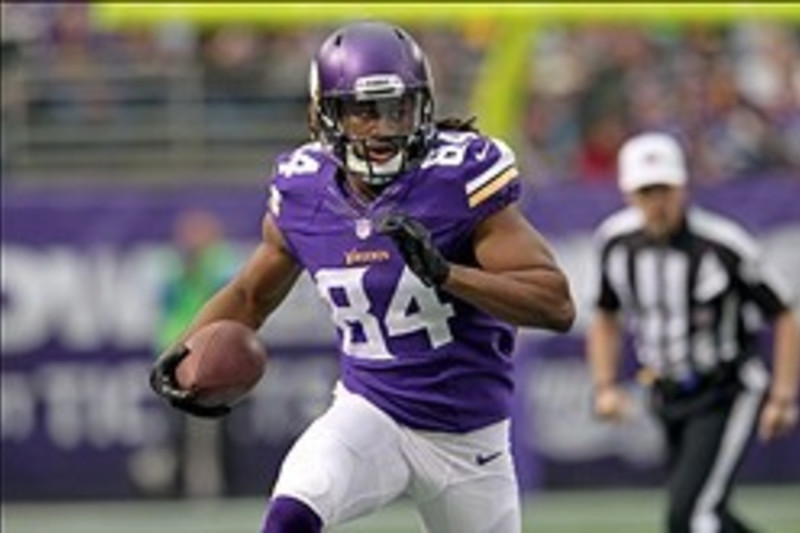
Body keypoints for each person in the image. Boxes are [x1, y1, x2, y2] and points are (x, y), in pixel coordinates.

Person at [150, 20, 575, 533]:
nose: (383, 127)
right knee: (290, 514)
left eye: (398, 108)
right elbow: (249, 294)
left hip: (469, 442)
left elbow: (555, 305)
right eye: (363, 111)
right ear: (324, 114)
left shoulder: (457, 180)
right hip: (370, 411)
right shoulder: (303, 190)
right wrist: (184, 354)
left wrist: (448, 274)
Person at [587, 132, 799, 533]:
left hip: (726, 388)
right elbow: (604, 316)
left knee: (690, 515)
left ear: (682, 187)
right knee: (706, 509)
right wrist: (604, 386)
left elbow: (784, 314)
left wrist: (783, 396)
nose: (657, 202)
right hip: (665, 394)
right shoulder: (615, 243)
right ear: (628, 194)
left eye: (664, 189)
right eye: (645, 191)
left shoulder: (722, 244)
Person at [154, 208, 237, 498]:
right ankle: (179, 484)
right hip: (177, 355)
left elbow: (232, 298)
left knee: (212, 428)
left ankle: (209, 486)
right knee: (177, 428)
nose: (192, 242)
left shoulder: (221, 264)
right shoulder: (173, 267)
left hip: (212, 356)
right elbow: (168, 306)